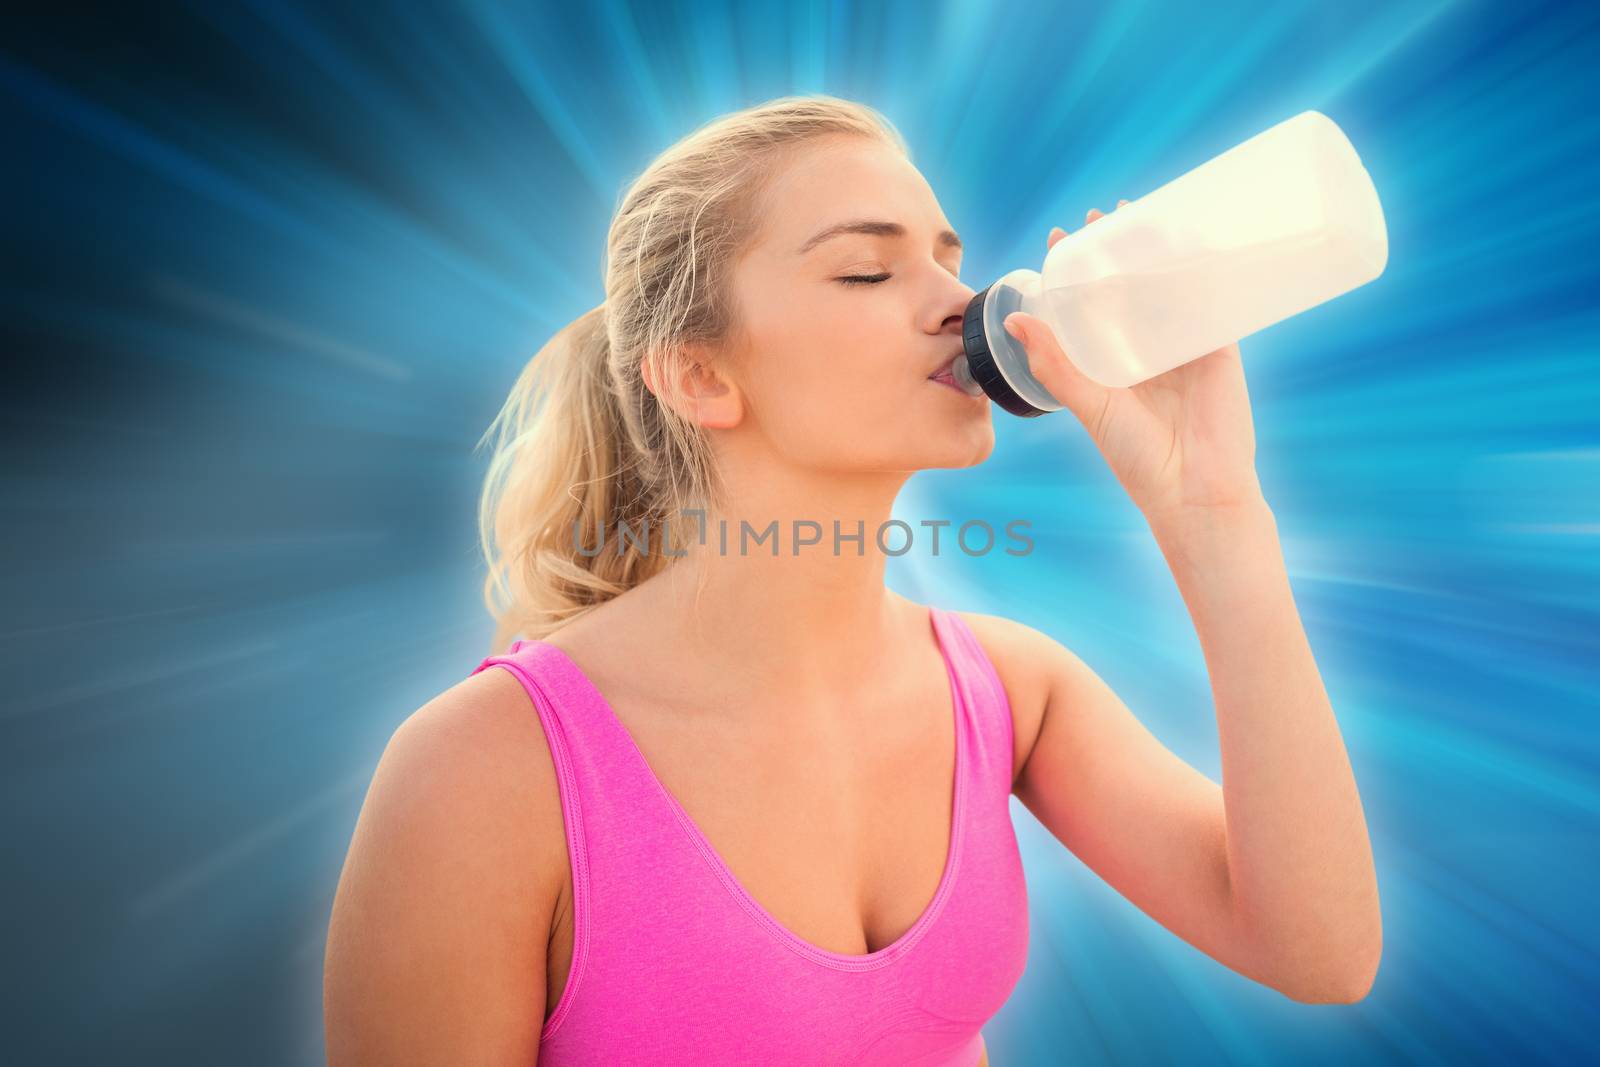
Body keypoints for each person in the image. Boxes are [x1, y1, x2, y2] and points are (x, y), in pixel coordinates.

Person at [323, 95, 1381, 1066]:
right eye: (868, 272)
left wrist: (1216, 519)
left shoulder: (1010, 694)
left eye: (947, 256)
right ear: (700, 373)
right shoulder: (483, 771)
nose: (958, 300)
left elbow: (1318, 951)